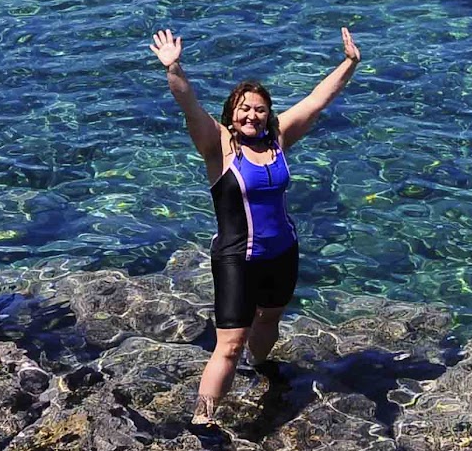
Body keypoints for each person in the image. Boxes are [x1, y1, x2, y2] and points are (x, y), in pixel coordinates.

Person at [151, 24, 361, 424]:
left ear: (269, 115)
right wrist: (174, 68)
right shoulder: (219, 147)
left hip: (283, 251)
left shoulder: (278, 140)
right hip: (237, 259)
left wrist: (348, 64)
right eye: (244, 108)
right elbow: (189, 104)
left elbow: (318, 100)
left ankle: (258, 366)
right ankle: (203, 419)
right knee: (228, 344)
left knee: (269, 319)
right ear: (231, 114)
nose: (252, 115)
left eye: (260, 109)